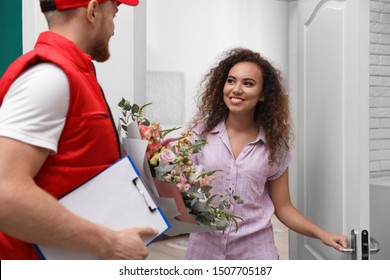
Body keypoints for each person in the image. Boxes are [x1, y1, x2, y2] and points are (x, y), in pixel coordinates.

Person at [0, 0, 158, 260]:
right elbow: (5, 195)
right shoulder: (49, 77)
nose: (114, 29)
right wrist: (110, 244)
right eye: (114, 14)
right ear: (93, 10)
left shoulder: (76, 72)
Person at [185, 48, 348, 260]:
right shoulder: (199, 135)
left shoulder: (275, 147)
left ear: (263, 94)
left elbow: (284, 207)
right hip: (204, 250)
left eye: (248, 83)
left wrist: (322, 234)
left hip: (255, 251)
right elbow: (180, 191)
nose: (236, 89)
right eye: (231, 81)